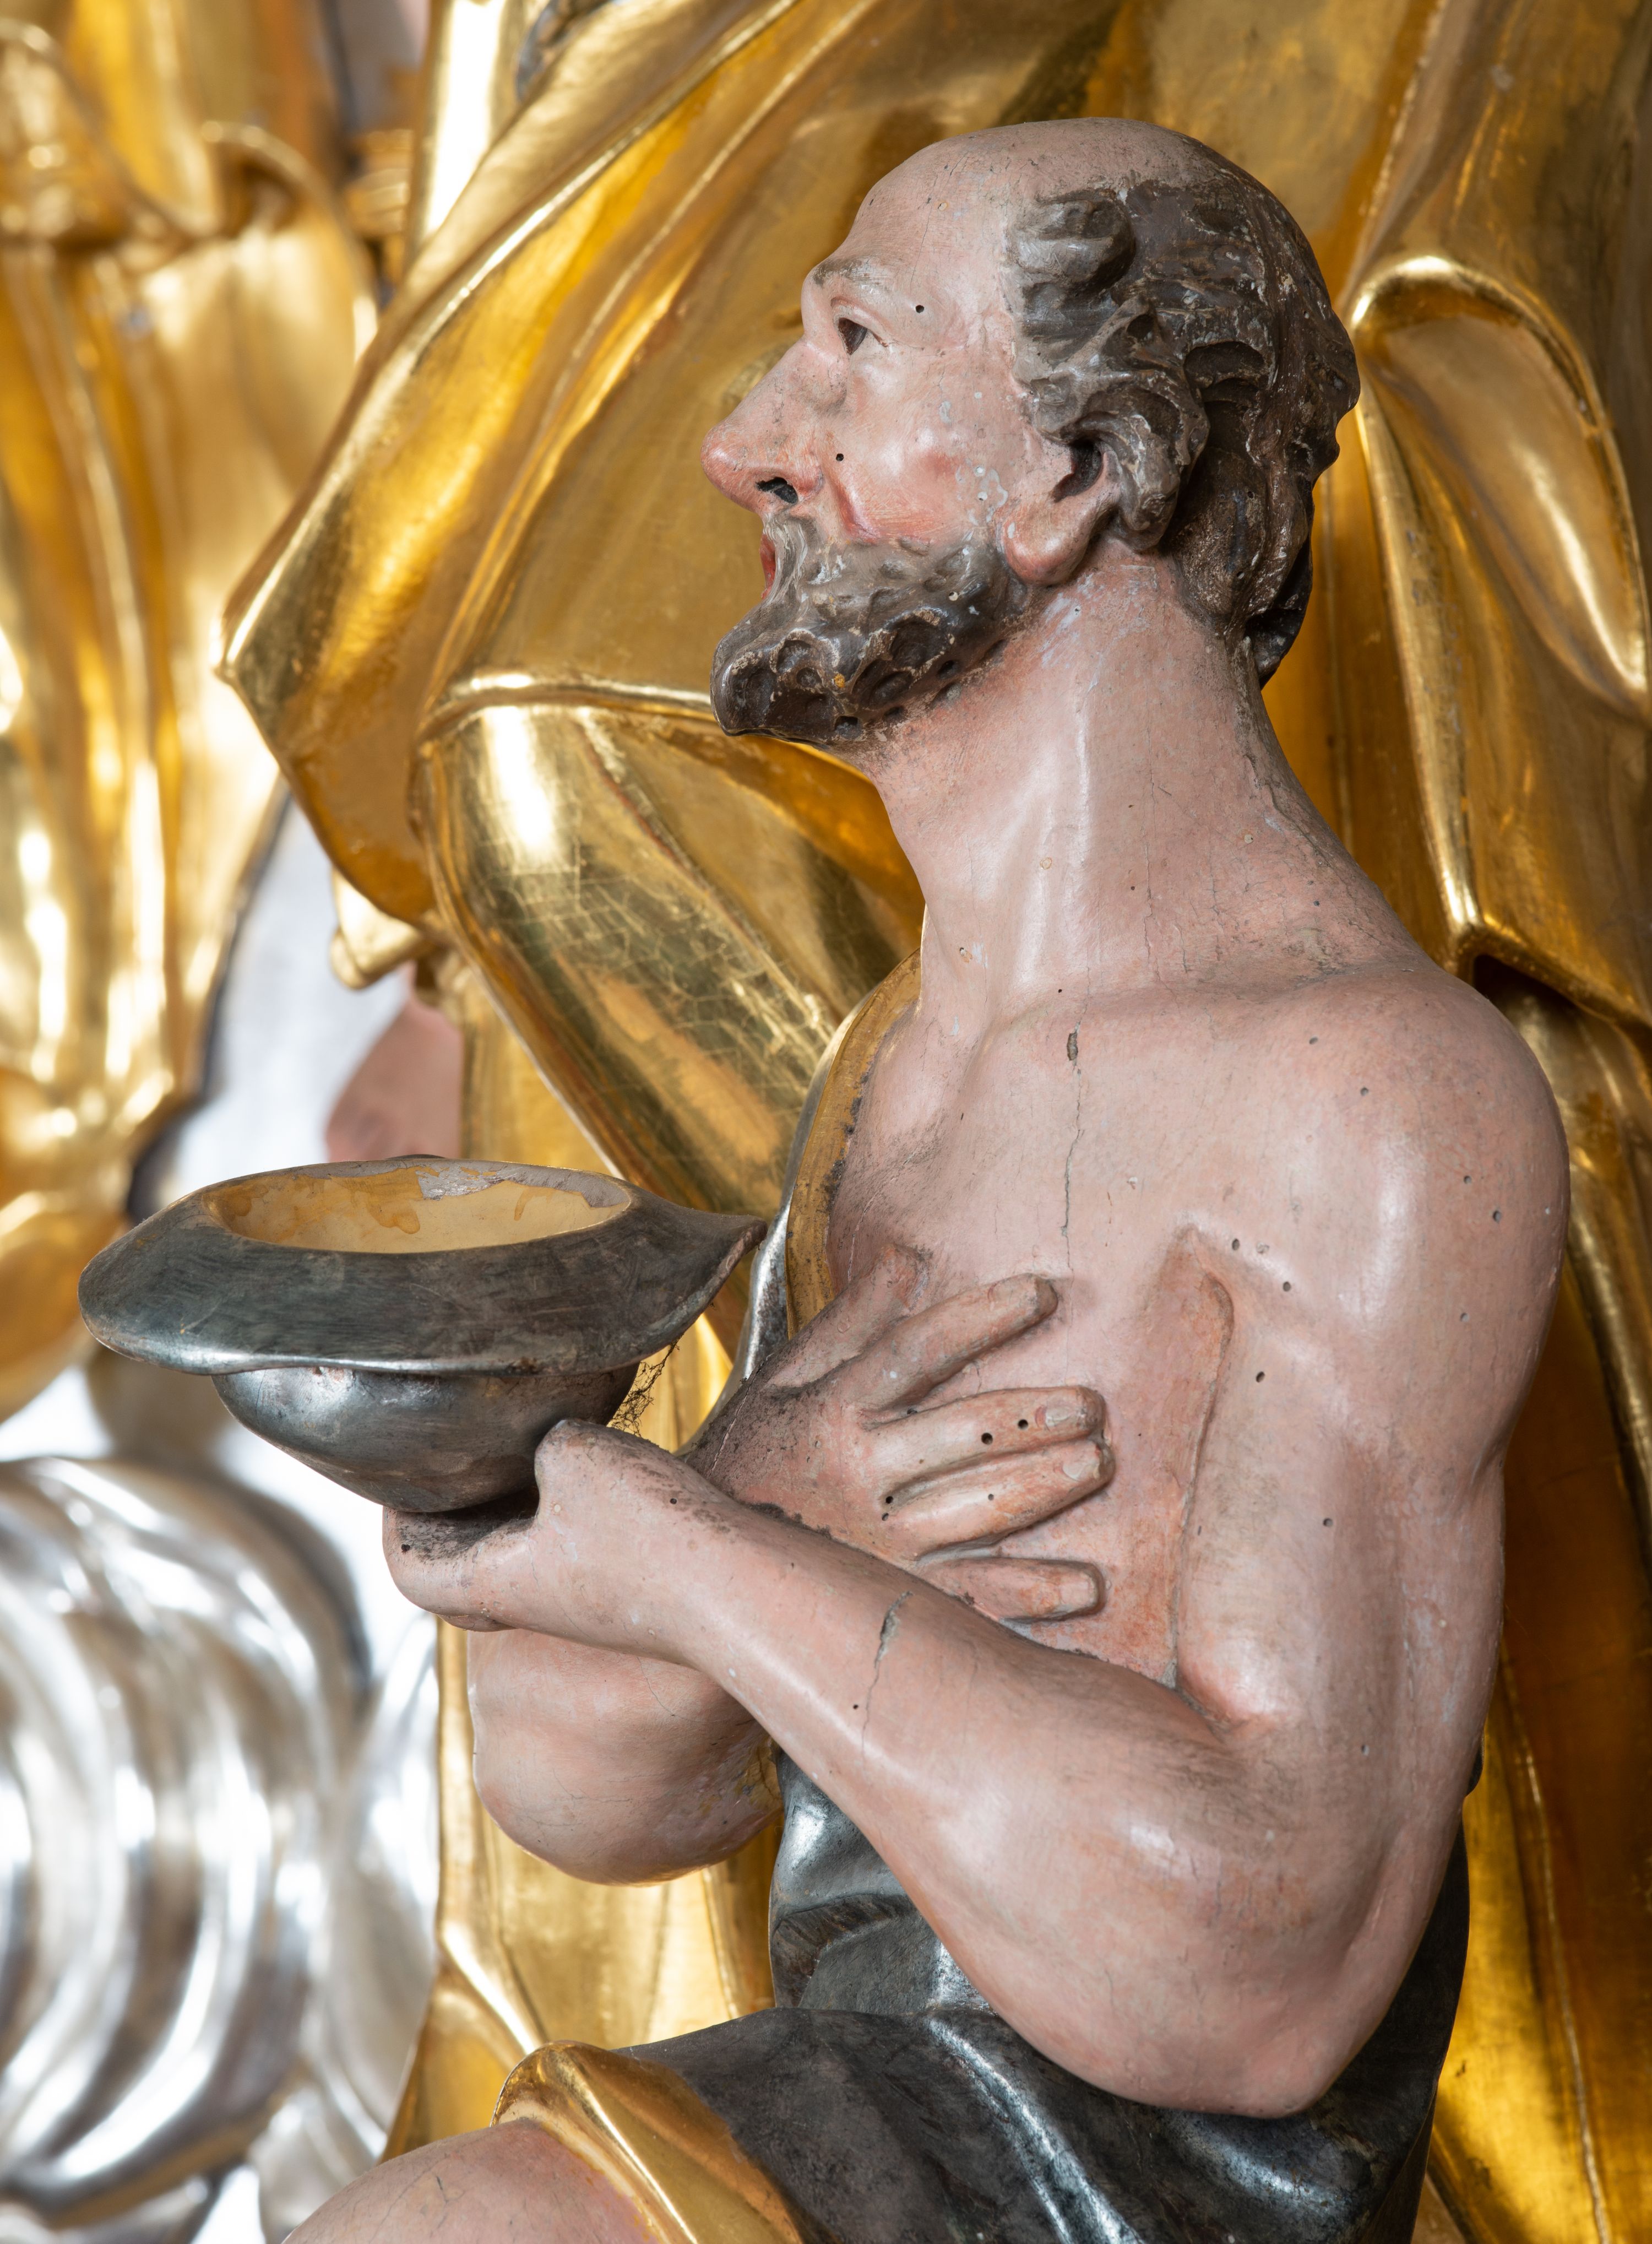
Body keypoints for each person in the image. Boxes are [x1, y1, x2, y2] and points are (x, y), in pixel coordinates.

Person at [295, 117, 1566, 2243]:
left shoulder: (1366, 1100)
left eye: (853, 354)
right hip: (871, 2092)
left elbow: (1262, 1970)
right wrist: (744, 1507)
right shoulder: (899, 1066)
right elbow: (581, 1788)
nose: (744, 449)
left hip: (1131, 2190)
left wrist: (698, 1552)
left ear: (1072, 475)